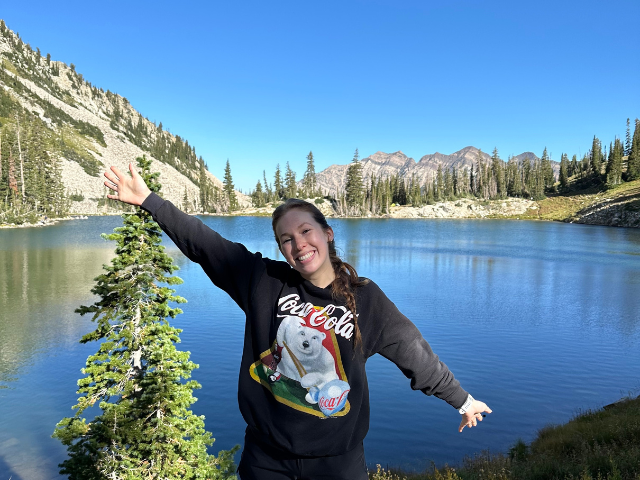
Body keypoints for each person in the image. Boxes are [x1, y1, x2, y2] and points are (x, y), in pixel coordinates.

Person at [104, 163, 492, 480]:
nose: (298, 243)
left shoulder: (365, 299)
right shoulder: (263, 282)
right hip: (267, 459)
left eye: (306, 230)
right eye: (286, 239)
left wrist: (462, 400)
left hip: (337, 463)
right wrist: (148, 200)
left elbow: (414, 352)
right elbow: (206, 245)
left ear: (327, 233)